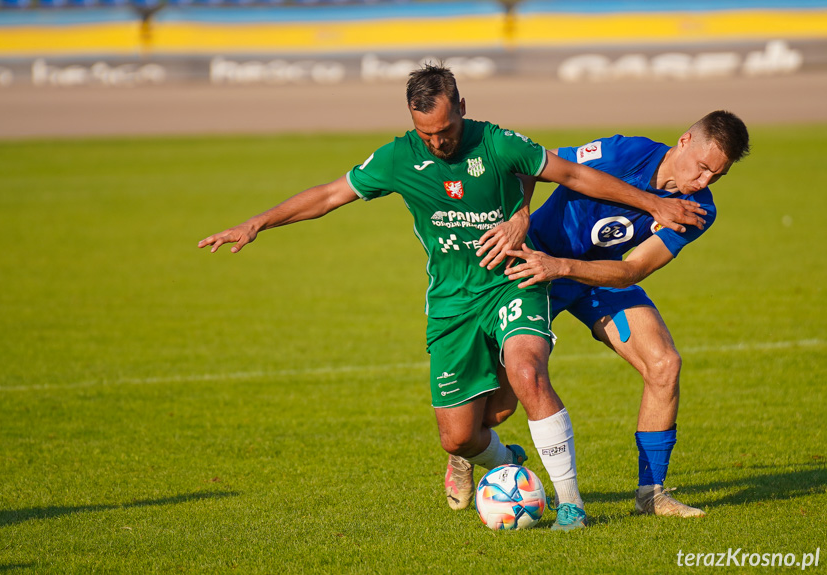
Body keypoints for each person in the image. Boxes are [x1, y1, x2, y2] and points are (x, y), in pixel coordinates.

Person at [198, 64, 706, 531]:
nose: (439, 142)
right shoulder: (398, 157)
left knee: (529, 371)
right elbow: (331, 195)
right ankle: (502, 466)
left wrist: (638, 204)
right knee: (462, 435)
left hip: (514, 279)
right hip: (452, 301)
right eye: (427, 134)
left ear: (461, 105)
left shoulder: (498, 141)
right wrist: (258, 222)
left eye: (446, 129)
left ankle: (570, 503)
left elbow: (568, 173)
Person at [500, 110, 750, 517]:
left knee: (664, 363)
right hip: (532, 263)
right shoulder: (624, 152)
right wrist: (521, 215)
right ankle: (472, 449)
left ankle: (651, 495)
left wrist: (563, 267)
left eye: (716, 177)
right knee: (502, 401)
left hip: (598, 275)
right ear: (684, 141)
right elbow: (533, 163)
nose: (704, 182)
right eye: (703, 168)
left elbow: (633, 270)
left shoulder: (697, 208)